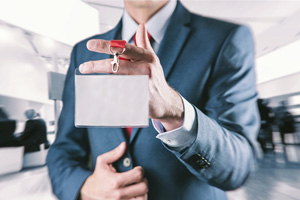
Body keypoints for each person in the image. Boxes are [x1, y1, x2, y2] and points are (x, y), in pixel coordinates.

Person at [47, 1, 260, 200]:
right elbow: (63, 150)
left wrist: (178, 113)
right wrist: (85, 187)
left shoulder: (225, 39)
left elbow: (237, 168)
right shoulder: (85, 54)